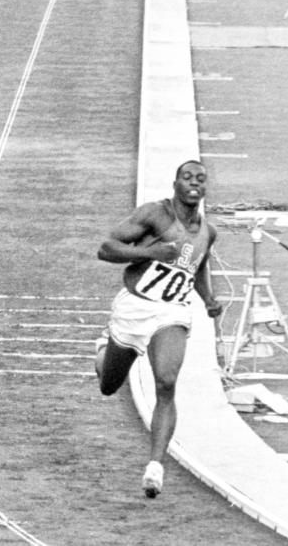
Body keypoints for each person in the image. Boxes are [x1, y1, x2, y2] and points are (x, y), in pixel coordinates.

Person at [95, 159, 223, 498]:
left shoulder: (208, 232)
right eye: (187, 177)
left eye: (201, 178)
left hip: (172, 311)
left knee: (166, 381)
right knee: (109, 384)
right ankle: (103, 352)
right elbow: (106, 248)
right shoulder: (155, 215)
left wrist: (208, 299)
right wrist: (151, 252)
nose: (195, 183)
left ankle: (155, 466)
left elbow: (196, 266)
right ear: (175, 184)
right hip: (134, 308)